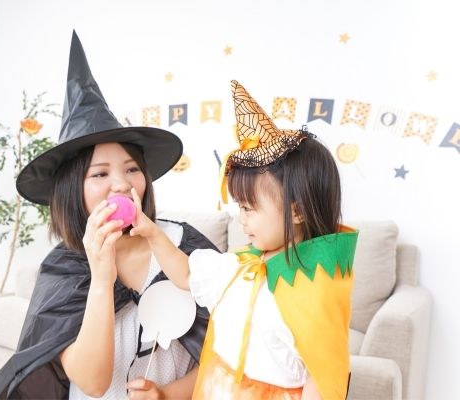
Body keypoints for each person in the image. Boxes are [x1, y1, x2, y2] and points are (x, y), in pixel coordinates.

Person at [0, 31, 216, 399]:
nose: (121, 184)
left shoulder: (184, 246)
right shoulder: (64, 270)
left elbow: (230, 348)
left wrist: (168, 395)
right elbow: (92, 382)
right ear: (75, 189)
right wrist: (102, 280)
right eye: (101, 174)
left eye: (132, 169)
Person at [130, 80, 359, 400]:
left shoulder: (316, 285)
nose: (242, 219)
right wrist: (153, 233)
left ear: (296, 211)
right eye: (240, 208)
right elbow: (185, 274)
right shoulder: (240, 266)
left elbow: (323, 374)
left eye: (249, 209)